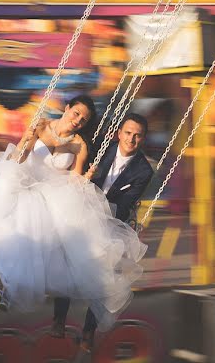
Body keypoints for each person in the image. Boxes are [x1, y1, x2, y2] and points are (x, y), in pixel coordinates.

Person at [0, 96, 147, 335]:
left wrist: (86, 178)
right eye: (76, 114)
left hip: (52, 194)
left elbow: (75, 179)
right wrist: (26, 140)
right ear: (67, 109)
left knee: (45, 239)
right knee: (12, 225)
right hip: (25, 184)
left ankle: (6, 290)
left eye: (84, 119)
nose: (78, 121)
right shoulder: (40, 125)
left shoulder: (79, 144)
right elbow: (19, 158)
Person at [52, 112, 154, 352]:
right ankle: (59, 319)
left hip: (110, 220)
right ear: (119, 134)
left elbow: (126, 203)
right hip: (81, 213)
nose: (131, 139)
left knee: (104, 278)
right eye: (128, 133)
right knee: (67, 260)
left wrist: (98, 211)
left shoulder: (143, 171)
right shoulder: (101, 149)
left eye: (137, 136)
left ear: (143, 140)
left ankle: (88, 332)